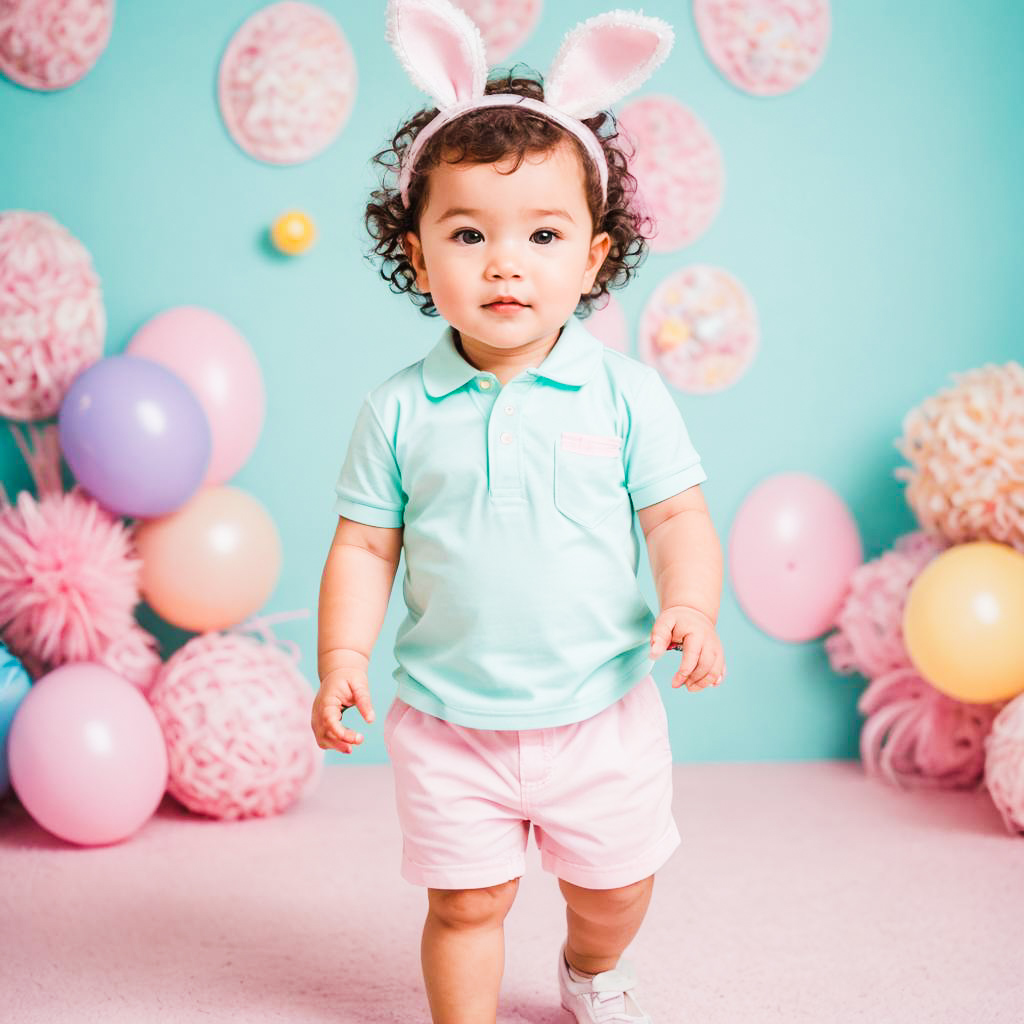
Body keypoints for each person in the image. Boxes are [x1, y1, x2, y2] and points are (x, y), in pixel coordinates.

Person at [312, 2, 725, 1021]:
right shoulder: (399, 408)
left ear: (590, 260)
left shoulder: (624, 394)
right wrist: (341, 656)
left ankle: (592, 968)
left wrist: (694, 605)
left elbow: (674, 518)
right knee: (467, 900)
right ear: (418, 256)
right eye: (469, 233)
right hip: (452, 722)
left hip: (601, 713)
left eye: (542, 234)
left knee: (614, 887)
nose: (506, 262)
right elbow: (364, 545)